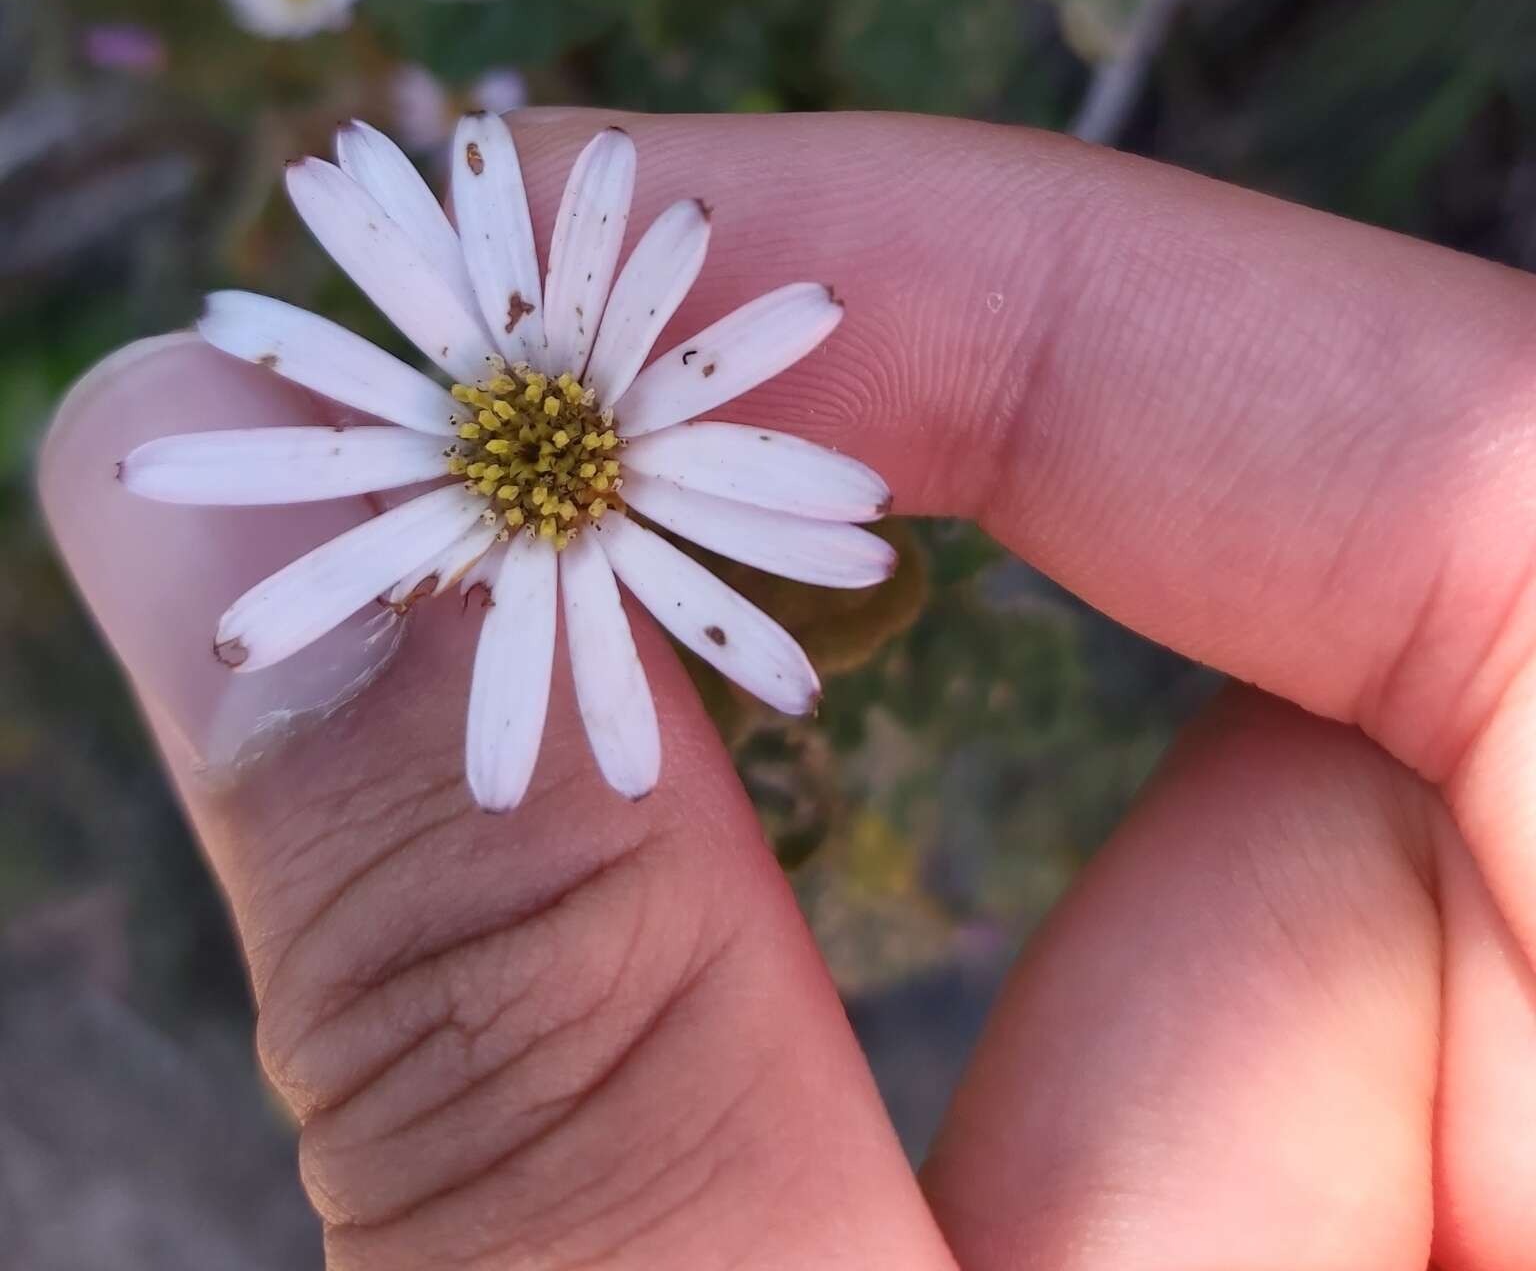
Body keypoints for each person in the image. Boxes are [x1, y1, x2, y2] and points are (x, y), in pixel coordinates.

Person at [40, 110, 1536, 1270]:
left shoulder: (598, 443)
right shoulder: (531, 459)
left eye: (546, 439)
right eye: (531, 444)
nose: (539, 446)